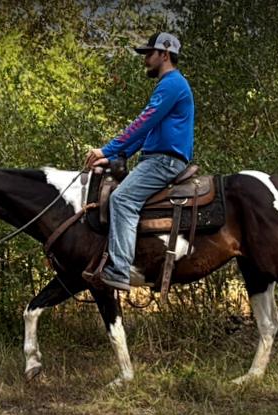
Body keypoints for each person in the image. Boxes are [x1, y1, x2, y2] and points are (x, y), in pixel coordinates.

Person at [85, 32, 194, 291]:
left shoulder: (172, 84)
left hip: (164, 161)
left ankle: (119, 270)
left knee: (122, 199)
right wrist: (113, 157)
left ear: (164, 55)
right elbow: (146, 133)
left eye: (149, 53)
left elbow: (142, 122)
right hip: (158, 159)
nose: (145, 59)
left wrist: (106, 149)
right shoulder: (170, 84)